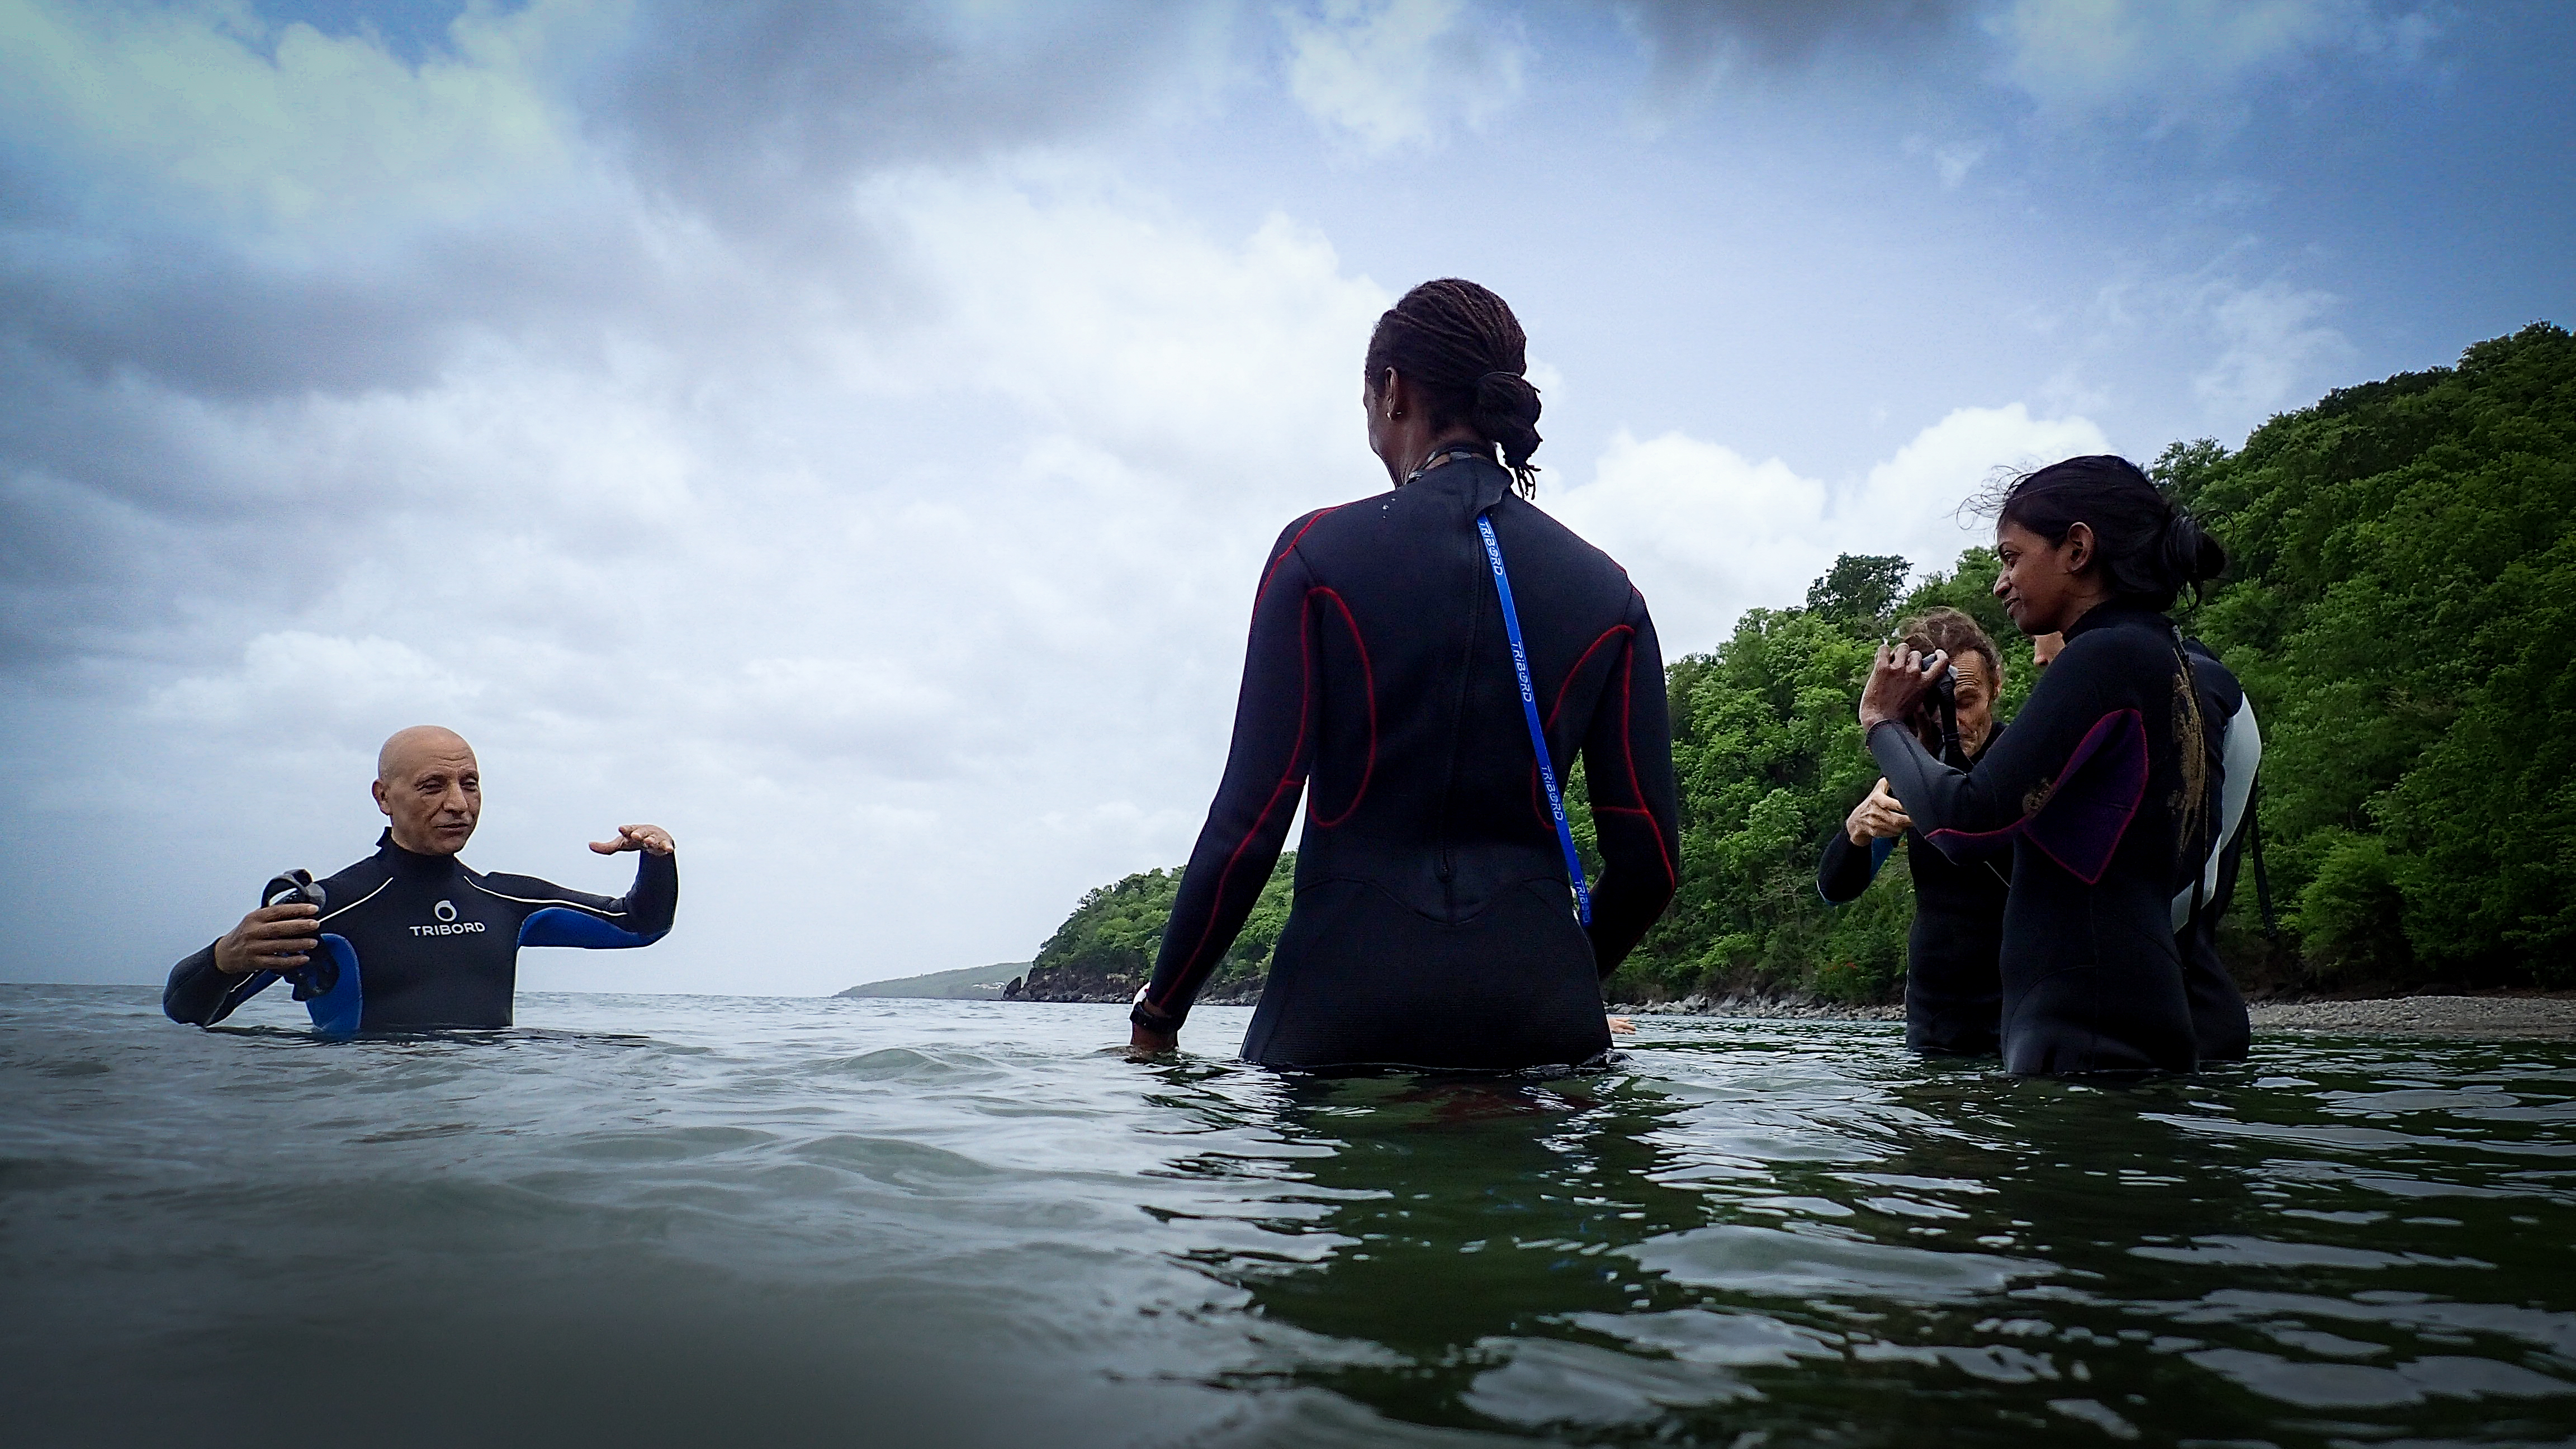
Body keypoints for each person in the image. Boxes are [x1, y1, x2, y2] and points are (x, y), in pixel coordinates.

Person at [1128, 279, 1681, 1069]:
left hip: (1337, 1012)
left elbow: (1251, 823)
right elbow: (1651, 863)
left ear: (1392, 392)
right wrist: (1559, 976)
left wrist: (1159, 1017)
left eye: (1366, 406)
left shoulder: (1315, 555)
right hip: (1538, 1021)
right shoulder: (1611, 594)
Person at [1856, 454, 2241, 1076]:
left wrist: (1883, 723)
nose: (2000, 584)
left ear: (2078, 549)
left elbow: (1964, 822)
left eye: (2011, 558)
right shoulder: (2170, 659)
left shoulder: (2103, 657)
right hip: (2137, 1015)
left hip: (2081, 1032)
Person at [164, 726, 678, 1033]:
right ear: (384, 797)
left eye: (469, 784)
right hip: (364, 1123)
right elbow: (189, 1012)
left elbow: (639, 926)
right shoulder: (326, 910)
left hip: (482, 1125)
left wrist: (657, 858)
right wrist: (221, 958)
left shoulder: (505, 899)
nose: (457, 803)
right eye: (433, 785)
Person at [1817, 607, 2010, 1055]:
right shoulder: (1911, 778)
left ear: (1996, 687)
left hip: (2020, 1018)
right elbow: (1832, 891)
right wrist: (1857, 831)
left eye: (1966, 703)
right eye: (1935, 706)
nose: (1952, 721)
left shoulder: (2020, 760)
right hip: (1933, 1023)